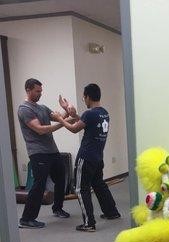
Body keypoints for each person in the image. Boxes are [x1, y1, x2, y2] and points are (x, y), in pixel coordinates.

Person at [55, 83, 120, 232]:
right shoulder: (103, 113)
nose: (84, 100)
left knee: (80, 189)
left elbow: (74, 128)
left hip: (86, 157)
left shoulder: (89, 114)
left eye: (84, 98)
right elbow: (86, 122)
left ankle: (89, 223)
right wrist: (69, 112)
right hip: (97, 157)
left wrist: (60, 118)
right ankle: (112, 212)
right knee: (98, 184)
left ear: (88, 97)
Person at [17, 78, 70, 229]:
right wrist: (63, 124)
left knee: (61, 177)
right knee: (39, 184)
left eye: (41, 91)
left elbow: (58, 117)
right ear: (28, 90)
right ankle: (26, 219)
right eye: (37, 91)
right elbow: (40, 129)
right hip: (38, 152)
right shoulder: (24, 109)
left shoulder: (41, 107)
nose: (40, 94)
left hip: (52, 150)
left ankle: (58, 208)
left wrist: (66, 111)